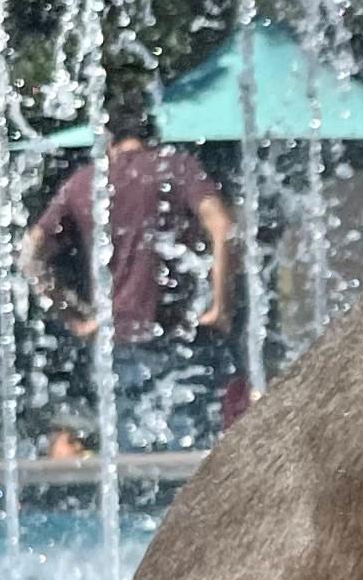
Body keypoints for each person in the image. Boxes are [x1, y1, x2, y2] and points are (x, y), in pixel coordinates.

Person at [22, 86, 237, 452]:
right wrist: (220, 305)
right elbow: (224, 229)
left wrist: (74, 317)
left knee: (131, 471)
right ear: (151, 132)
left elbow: (30, 255)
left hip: (116, 341)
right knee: (195, 462)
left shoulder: (85, 182)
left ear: (106, 136)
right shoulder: (177, 168)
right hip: (181, 335)